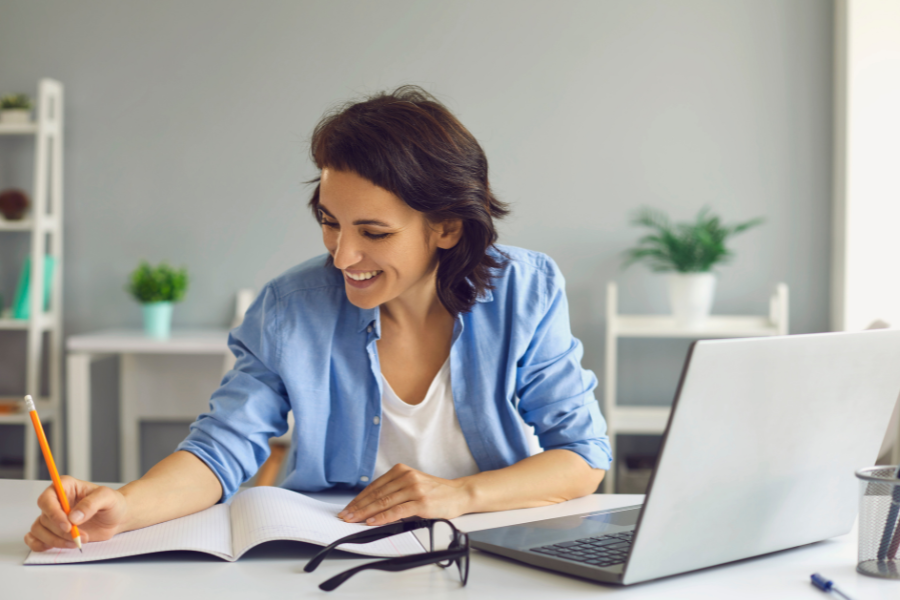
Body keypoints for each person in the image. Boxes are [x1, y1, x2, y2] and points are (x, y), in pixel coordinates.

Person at [25, 86, 611, 553]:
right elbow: (220, 449)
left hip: (484, 548)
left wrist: (457, 495)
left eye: (373, 232)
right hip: (329, 552)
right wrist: (124, 507)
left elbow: (584, 457)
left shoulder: (523, 290)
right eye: (330, 221)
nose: (342, 255)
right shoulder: (291, 306)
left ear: (447, 228)